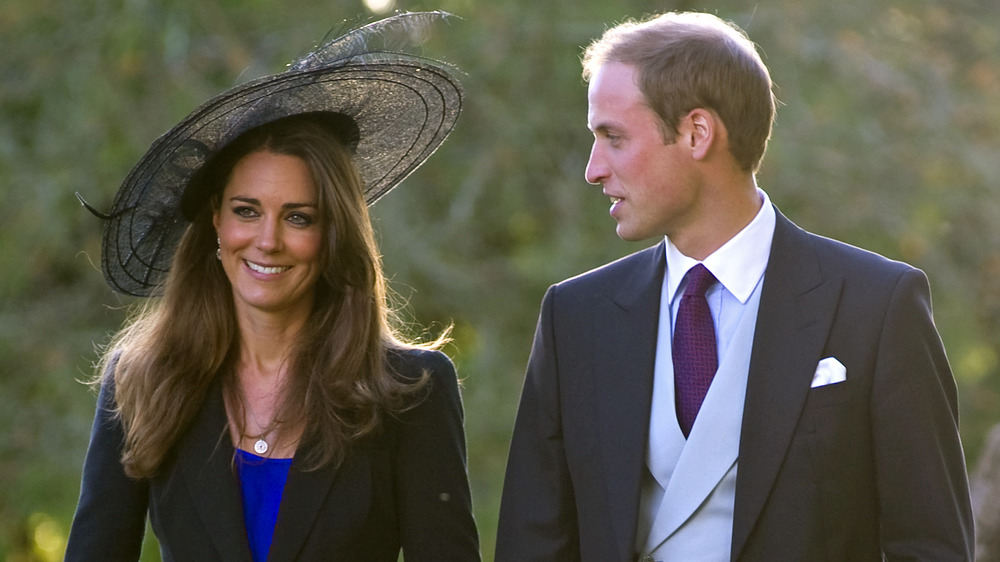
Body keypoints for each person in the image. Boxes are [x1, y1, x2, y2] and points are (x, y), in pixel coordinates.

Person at [495, 11, 974, 562]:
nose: (593, 168)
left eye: (614, 137)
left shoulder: (878, 304)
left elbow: (931, 546)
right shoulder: (575, 316)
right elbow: (531, 545)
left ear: (698, 133)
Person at [66, 12, 480, 561]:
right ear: (216, 220)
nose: (267, 240)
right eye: (246, 210)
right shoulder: (143, 380)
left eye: (299, 217)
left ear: (333, 233)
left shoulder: (411, 390)